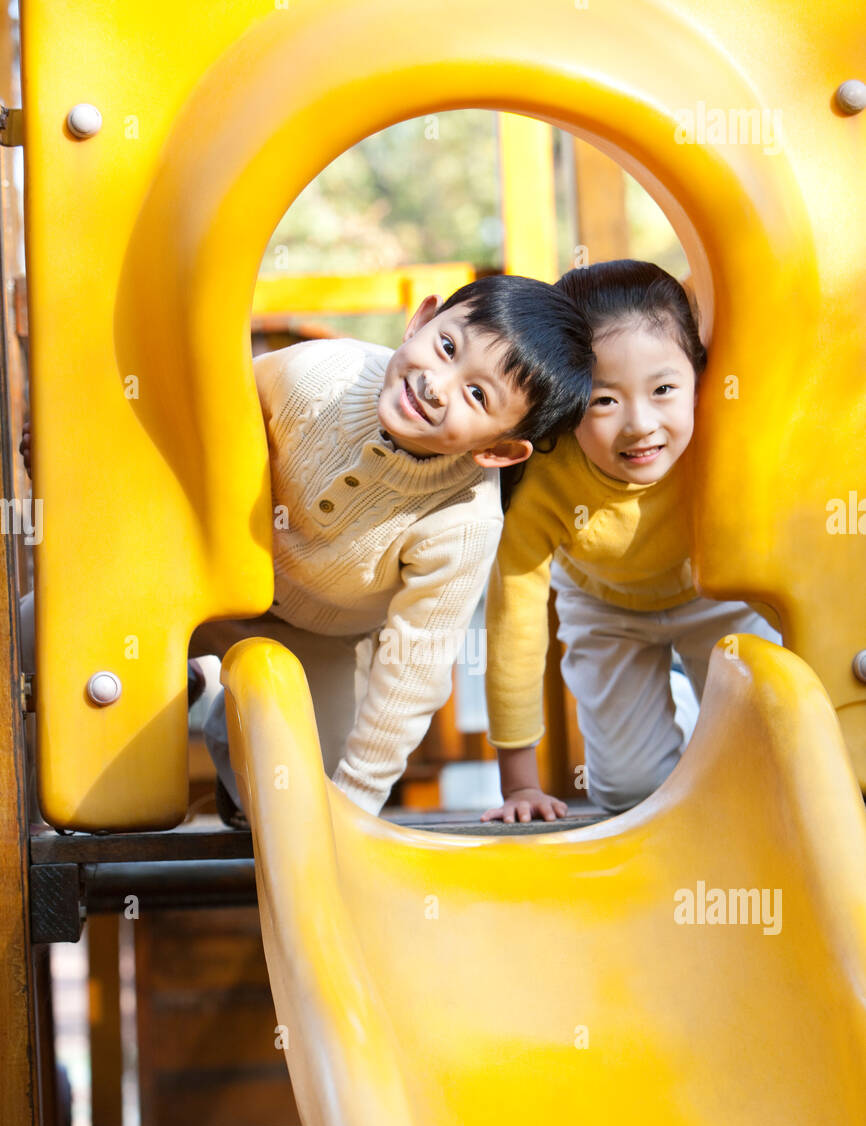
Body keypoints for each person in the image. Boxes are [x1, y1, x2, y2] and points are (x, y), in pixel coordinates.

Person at [192, 274, 593, 822]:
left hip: (317, 639)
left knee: (303, 797)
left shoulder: (464, 522)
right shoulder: (316, 377)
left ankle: (225, 705)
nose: (437, 385)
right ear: (421, 321)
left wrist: (355, 803)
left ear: (498, 450)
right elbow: (199, 410)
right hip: (201, 578)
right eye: (447, 347)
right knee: (53, 634)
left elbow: (414, 667)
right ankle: (184, 674)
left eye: (477, 395)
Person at [481, 259, 782, 825]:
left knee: (775, 759)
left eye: (664, 388)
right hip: (606, 607)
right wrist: (519, 784)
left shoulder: (728, 430)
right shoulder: (543, 477)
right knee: (629, 791)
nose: (641, 424)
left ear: (699, 376)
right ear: (569, 400)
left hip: (716, 596)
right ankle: (680, 715)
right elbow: (515, 623)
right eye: (604, 401)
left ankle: (698, 712)